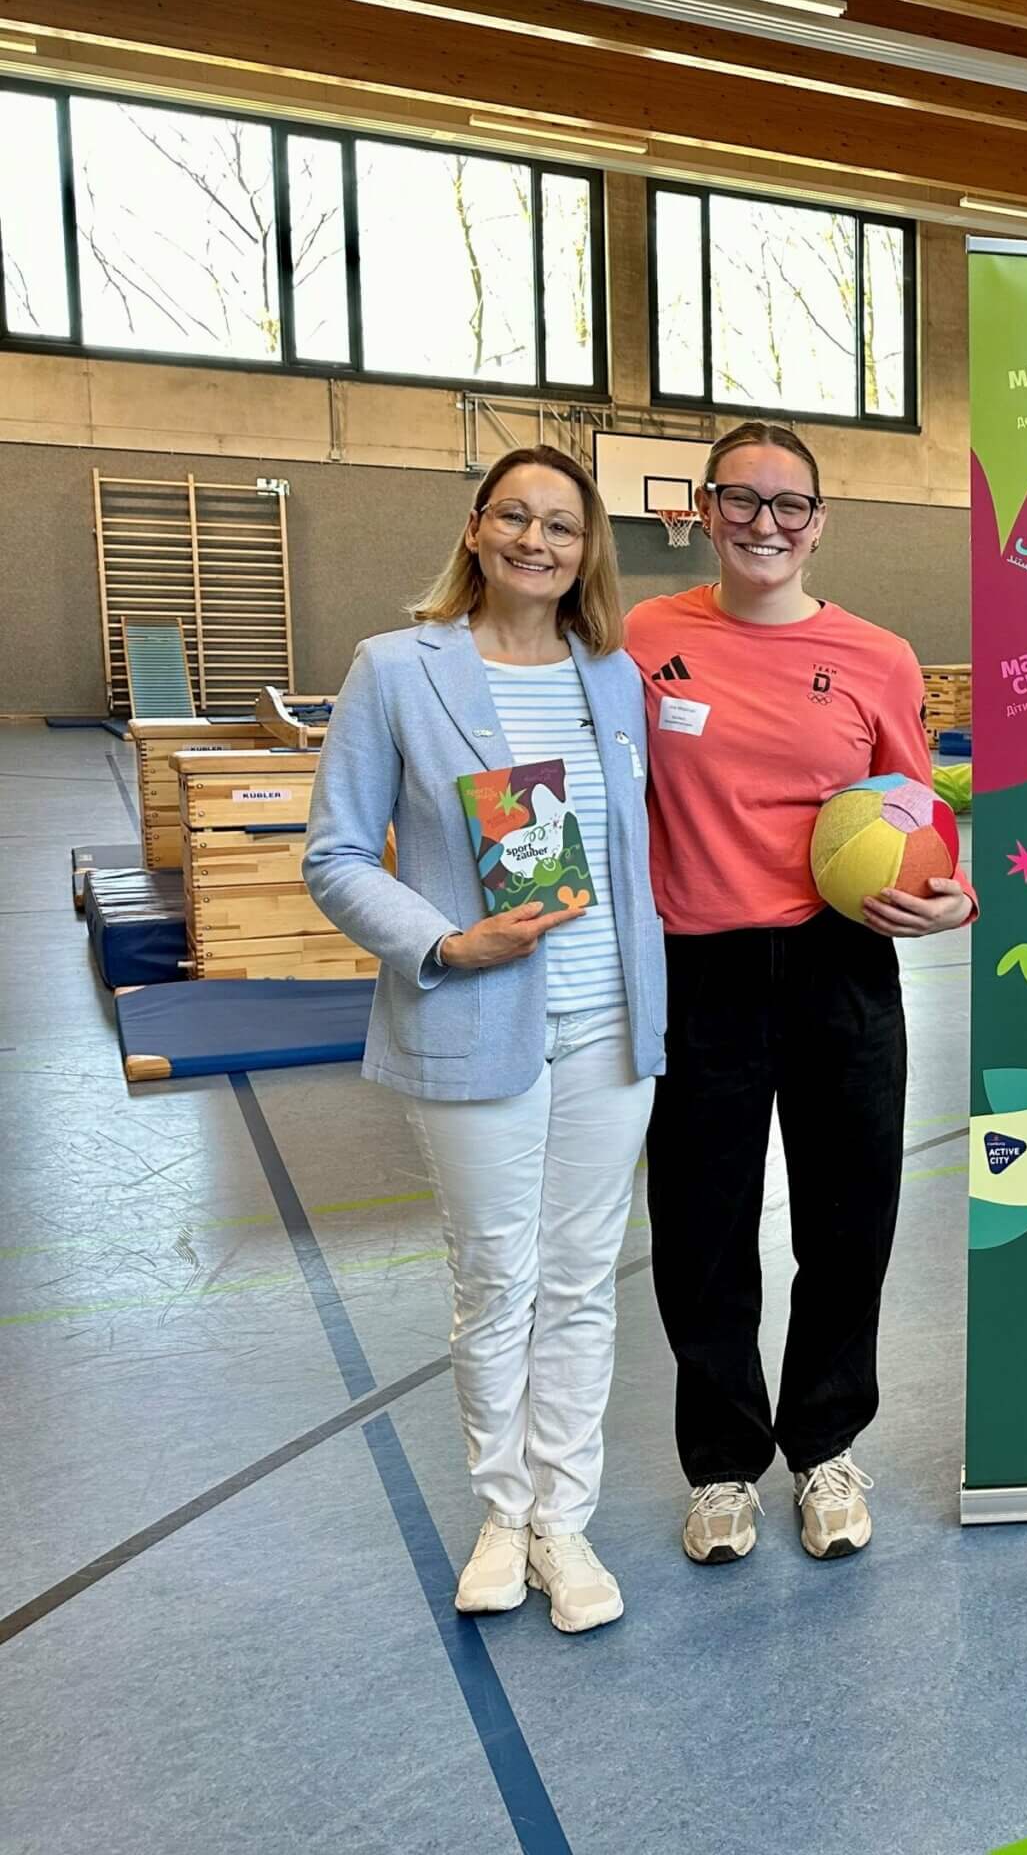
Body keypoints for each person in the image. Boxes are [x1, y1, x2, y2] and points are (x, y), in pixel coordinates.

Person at [305, 445, 663, 1635]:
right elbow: (337, 856)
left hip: (611, 1021)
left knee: (578, 1285)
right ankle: (501, 1512)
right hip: (474, 1013)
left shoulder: (612, 675)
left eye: (560, 526)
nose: (535, 541)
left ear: (586, 549)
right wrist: (446, 944)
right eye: (514, 516)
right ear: (474, 528)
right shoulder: (396, 669)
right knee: (494, 1276)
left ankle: (566, 1518)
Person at [626, 420, 974, 1570]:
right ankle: (723, 1467)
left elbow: (919, 819)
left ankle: (826, 1443)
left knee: (848, 1220)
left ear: (819, 523)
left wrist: (953, 898)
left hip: (841, 968)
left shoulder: (875, 656)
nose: (764, 523)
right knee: (702, 1234)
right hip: (701, 974)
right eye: (741, 500)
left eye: (789, 505)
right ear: (703, 509)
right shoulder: (641, 640)